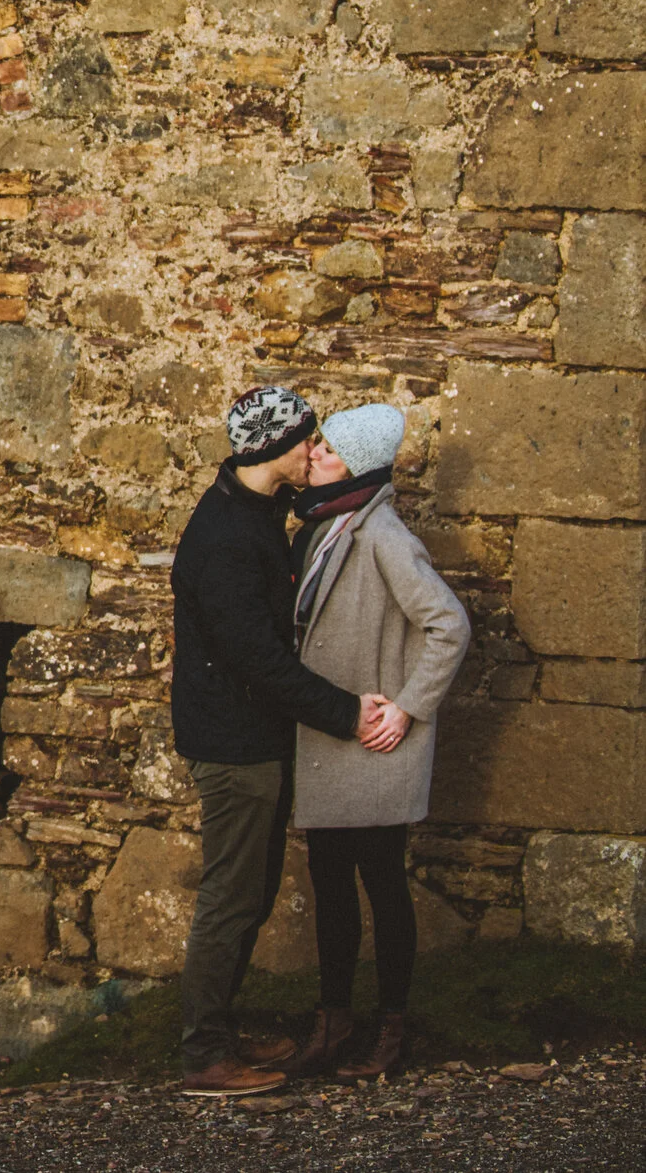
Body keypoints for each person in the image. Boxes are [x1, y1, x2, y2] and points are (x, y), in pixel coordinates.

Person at [170, 385, 393, 1098]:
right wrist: (348, 713)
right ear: (273, 447)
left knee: (251, 893)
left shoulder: (259, 514)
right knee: (232, 898)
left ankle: (221, 1031)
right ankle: (204, 1054)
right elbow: (259, 661)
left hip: (254, 738)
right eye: (306, 437)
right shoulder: (228, 539)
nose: (314, 449)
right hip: (234, 746)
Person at [284, 404, 471, 1079]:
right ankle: (334, 1023)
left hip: (374, 746)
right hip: (335, 738)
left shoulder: (381, 531)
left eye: (328, 448)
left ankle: (392, 1030)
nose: (314, 456)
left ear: (357, 463)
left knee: (382, 884)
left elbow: (448, 622)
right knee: (330, 884)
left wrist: (411, 708)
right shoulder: (325, 524)